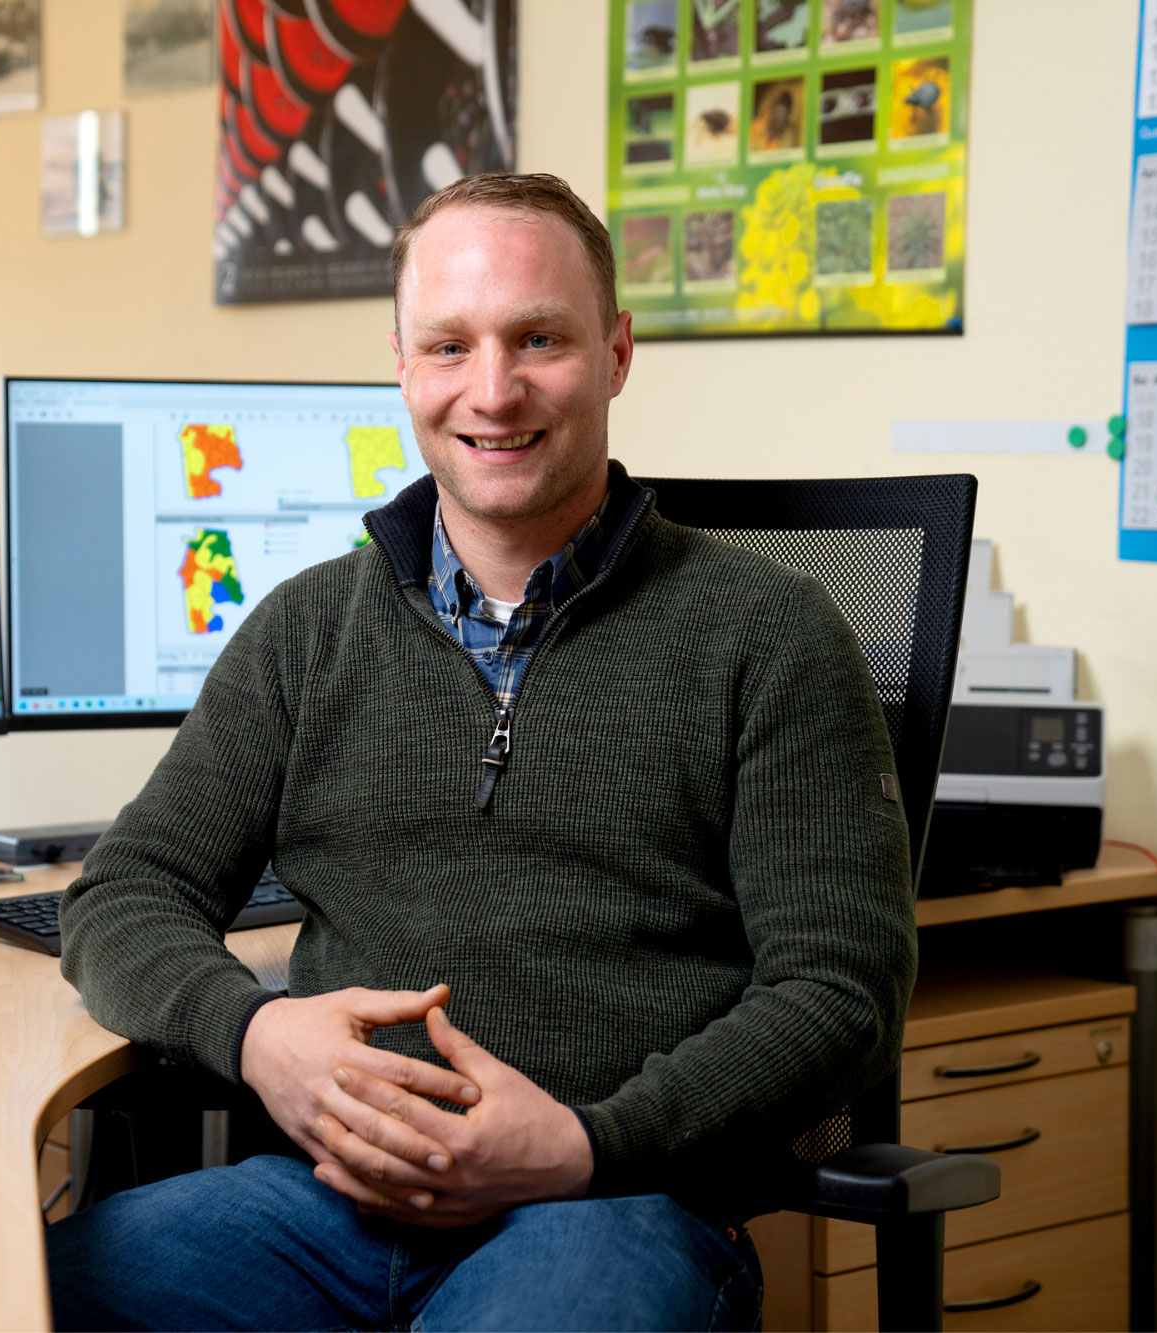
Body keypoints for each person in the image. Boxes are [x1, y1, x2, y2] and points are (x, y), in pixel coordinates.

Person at [46, 172, 917, 1331]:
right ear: (402, 364)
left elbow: (840, 992)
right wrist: (254, 1034)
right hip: (318, 1214)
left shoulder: (770, 633)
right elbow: (124, 894)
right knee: (1, 1291)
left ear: (613, 353)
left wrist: (584, 1142)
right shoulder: (307, 632)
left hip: (612, 1206)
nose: (492, 390)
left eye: (539, 339)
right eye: (449, 345)